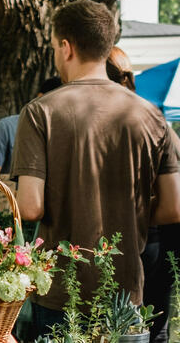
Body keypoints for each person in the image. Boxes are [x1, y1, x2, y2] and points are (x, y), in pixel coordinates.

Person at [11, 0, 180, 337]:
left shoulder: (40, 112)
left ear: (66, 46)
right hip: (127, 292)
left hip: (61, 293)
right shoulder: (150, 115)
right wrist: (128, 217)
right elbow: (174, 206)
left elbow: (30, 207)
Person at [106, 45, 179, 343]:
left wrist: (128, 214)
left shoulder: (110, 123)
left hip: (138, 240)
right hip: (161, 239)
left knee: (117, 326)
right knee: (155, 328)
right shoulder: (156, 120)